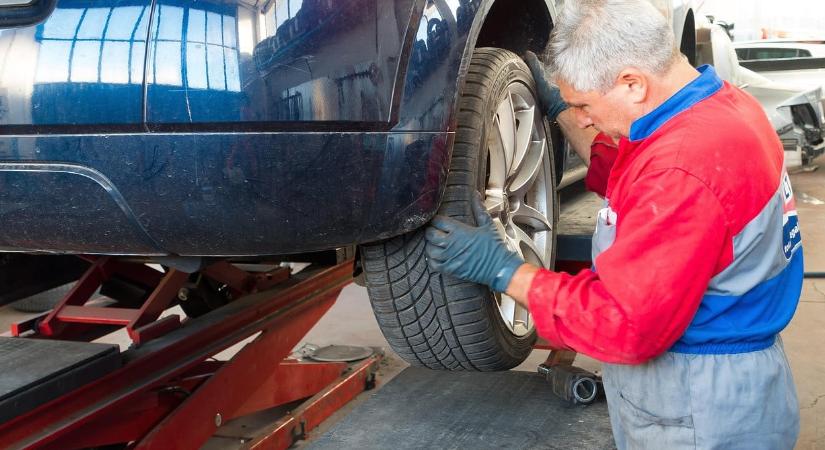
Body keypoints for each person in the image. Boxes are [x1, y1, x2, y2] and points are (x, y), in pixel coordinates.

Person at [423, 0, 802, 448]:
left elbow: (624, 324)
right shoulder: (721, 107)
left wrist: (506, 272)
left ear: (632, 83)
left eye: (583, 104)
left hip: (699, 404)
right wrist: (561, 109)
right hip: (728, 380)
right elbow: (632, 172)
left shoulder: (683, 169)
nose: (582, 118)